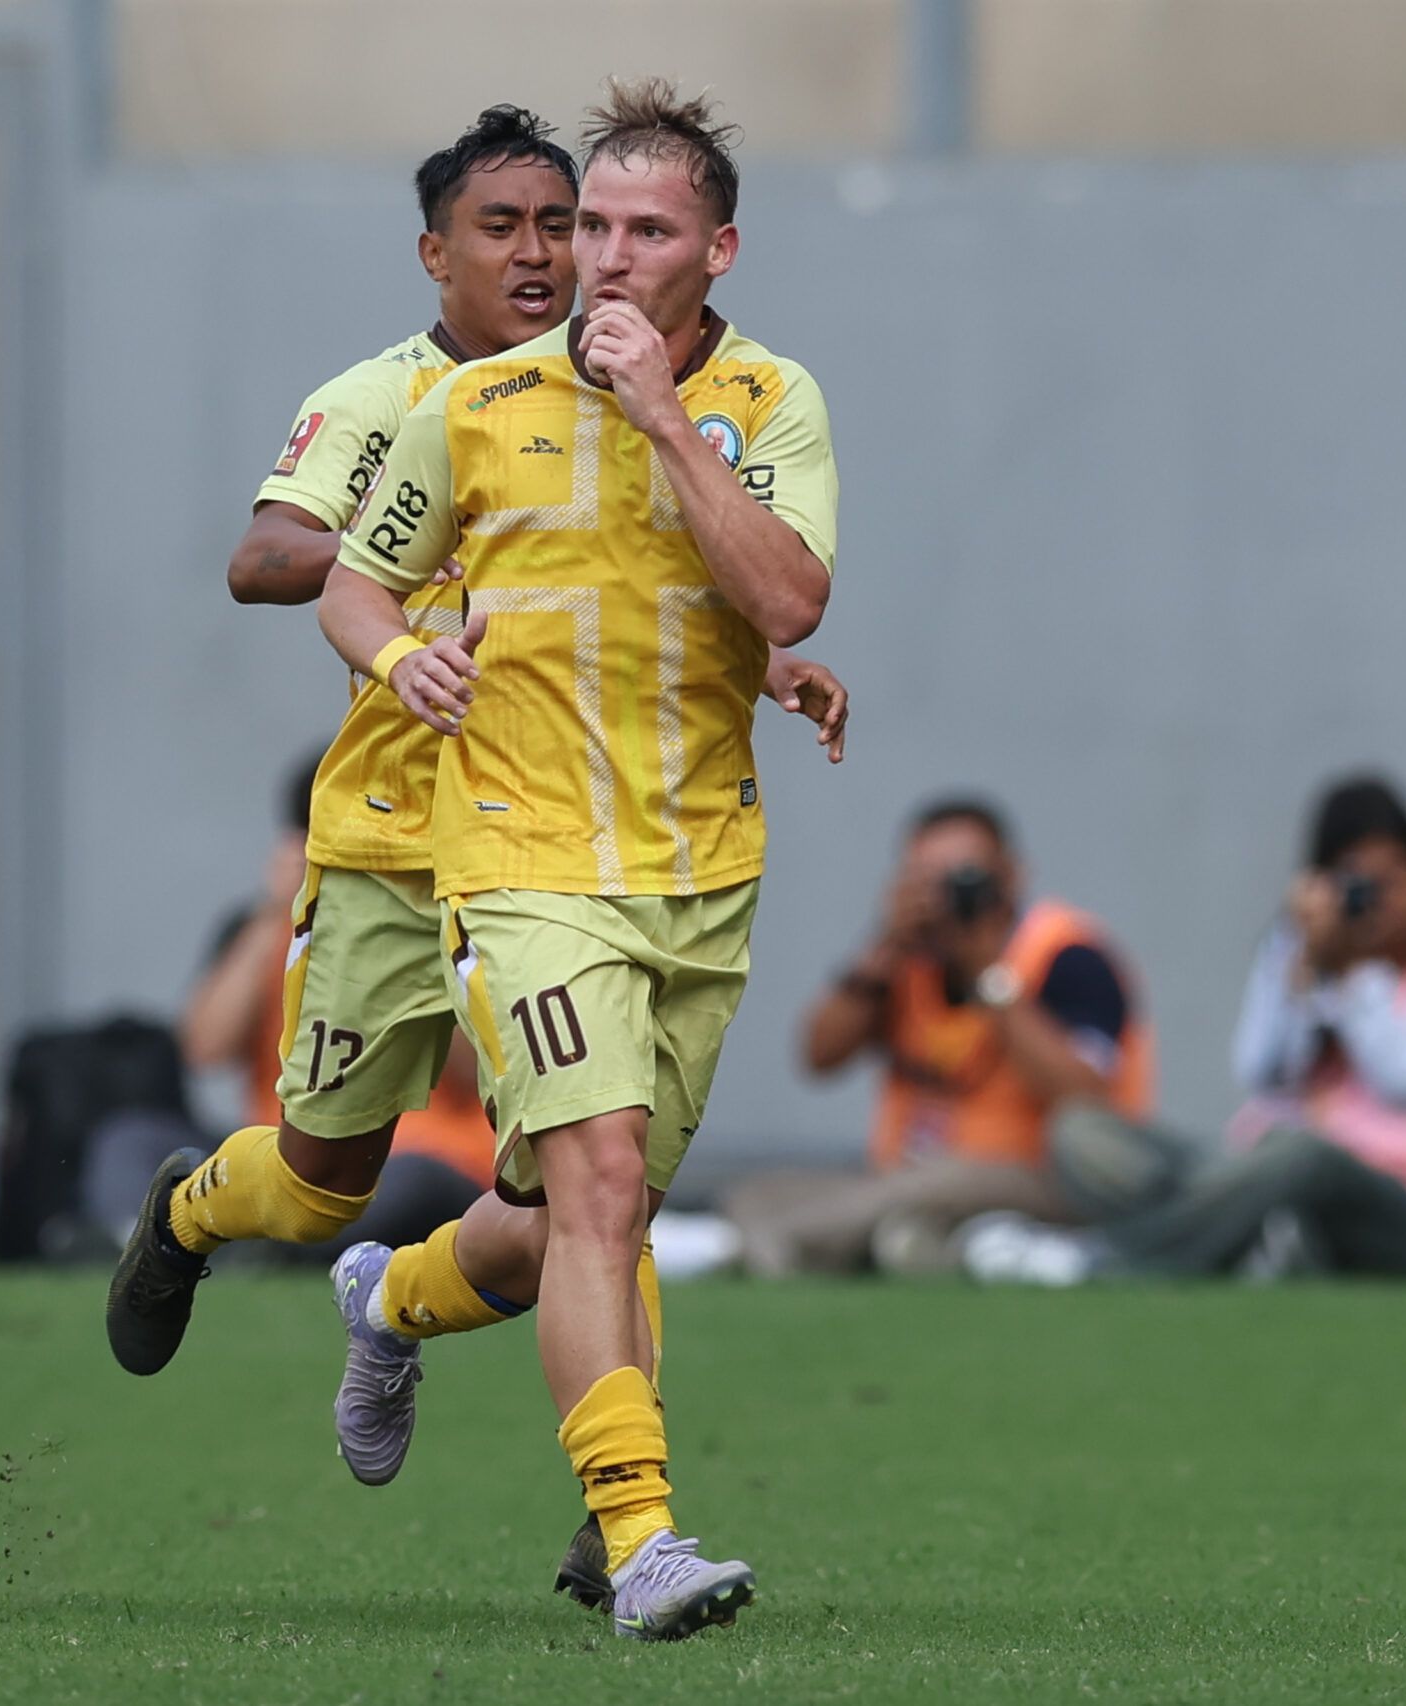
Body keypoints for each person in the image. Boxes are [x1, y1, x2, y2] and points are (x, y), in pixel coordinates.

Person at [101, 104, 847, 1618]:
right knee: (343, 1179)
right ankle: (200, 1216)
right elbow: (281, 564)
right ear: (436, 251)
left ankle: (433, 1336)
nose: (560, 253)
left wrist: (758, 657)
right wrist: (435, 605)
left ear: (706, 248)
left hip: (646, 844)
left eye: (569, 224)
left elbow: (719, 586)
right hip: (419, 827)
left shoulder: (747, 399)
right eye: (520, 229)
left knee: (591, 1189)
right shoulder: (420, 400)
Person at [316, 80, 839, 1639]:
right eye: (589, 226)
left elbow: (786, 596)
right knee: (603, 1185)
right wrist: (400, 655)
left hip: (700, 867)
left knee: (571, 1219)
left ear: (717, 251)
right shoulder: (470, 405)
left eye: (643, 231)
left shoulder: (769, 401)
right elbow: (354, 584)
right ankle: (641, 1536)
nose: (602, 258)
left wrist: (664, 418)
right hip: (522, 860)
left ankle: (391, 1295)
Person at [965, 774, 1406, 1285]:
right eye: (1356, 885)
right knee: (1082, 1133)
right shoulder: (1305, 947)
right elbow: (1263, 1073)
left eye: (1392, 880)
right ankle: (1248, 1242)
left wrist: (1354, 977)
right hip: (1265, 1176)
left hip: (1404, 1214)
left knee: (1302, 1151)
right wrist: (1305, 968)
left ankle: (1097, 1258)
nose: (1377, 902)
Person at [722, 796, 1156, 1274]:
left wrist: (988, 973)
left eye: (964, 878)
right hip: (907, 1175)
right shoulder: (907, 958)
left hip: (1042, 1179)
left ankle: (784, 1250)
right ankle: (917, 1246)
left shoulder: (1067, 954)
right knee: (759, 1193)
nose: (947, 898)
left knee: (939, 1183)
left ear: (1011, 876)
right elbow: (818, 1057)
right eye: (927, 880)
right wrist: (882, 948)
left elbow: (1084, 1099)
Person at [178, 747, 490, 1257]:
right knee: (141, 1145)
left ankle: (255, 1245)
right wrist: (278, 910)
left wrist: (425, 921)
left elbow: (472, 1066)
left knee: (408, 1185)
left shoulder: (455, 920)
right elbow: (203, 1048)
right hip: (280, 1151)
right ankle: (225, 1232)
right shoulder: (271, 925)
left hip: (423, 1153)